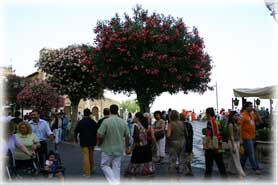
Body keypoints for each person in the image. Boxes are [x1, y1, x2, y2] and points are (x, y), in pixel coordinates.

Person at [97, 104, 130, 185]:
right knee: (116, 167)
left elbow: (99, 135)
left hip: (107, 148)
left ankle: (114, 182)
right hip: (119, 148)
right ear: (117, 110)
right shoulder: (123, 122)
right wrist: (127, 147)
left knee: (104, 165)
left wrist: (99, 143)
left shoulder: (106, 121)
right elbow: (127, 136)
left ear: (110, 111)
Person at [125, 112, 155, 176]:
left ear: (137, 118)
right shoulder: (147, 125)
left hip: (138, 147)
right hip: (146, 146)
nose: (134, 118)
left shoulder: (136, 126)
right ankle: (145, 171)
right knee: (145, 161)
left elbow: (136, 140)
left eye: (135, 117)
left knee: (135, 161)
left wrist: (130, 149)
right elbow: (151, 136)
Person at [203, 107, 227, 178]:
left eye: (206, 113)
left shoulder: (209, 122)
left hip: (212, 146)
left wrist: (205, 146)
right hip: (219, 144)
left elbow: (208, 135)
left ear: (208, 114)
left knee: (208, 166)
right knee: (221, 164)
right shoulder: (217, 121)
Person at [238, 102, 261, 175]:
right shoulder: (242, 115)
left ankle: (241, 165)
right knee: (251, 153)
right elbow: (239, 127)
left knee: (245, 154)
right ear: (246, 107)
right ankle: (256, 168)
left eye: (252, 106)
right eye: (250, 106)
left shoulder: (252, 114)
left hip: (252, 137)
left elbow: (260, 122)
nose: (251, 108)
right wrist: (241, 139)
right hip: (246, 137)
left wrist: (257, 113)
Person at [74, 108, 97, 177]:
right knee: (91, 156)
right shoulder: (93, 122)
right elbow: (96, 131)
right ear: (90, 113)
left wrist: (76, 139)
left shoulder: (81, 122)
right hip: (92, 141)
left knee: (85, 156)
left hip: (84, 141)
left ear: (84, 113)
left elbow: (76, 131)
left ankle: (87, 173)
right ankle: (92, 169)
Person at [166, 110, 187, 176]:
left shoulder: (171, 124)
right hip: (183, 142)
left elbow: (168, 135)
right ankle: (181, 172)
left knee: (173, 160)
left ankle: (171, 175)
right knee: (181, 159)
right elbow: (186, 133)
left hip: (174, 143)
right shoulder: (182, 123)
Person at [227, 111, 246, 178]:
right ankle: (240, 173)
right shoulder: (230, 125)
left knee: (233, 157)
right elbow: (231, 136)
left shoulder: (237, 123)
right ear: (232, 116)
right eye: (235, 115)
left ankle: (230, 169)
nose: (237, 116)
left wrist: (240, 141)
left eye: (237, 115)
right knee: (237, 158)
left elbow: (239, 132)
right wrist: (233, 146)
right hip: (232, 142)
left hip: (237, 141)